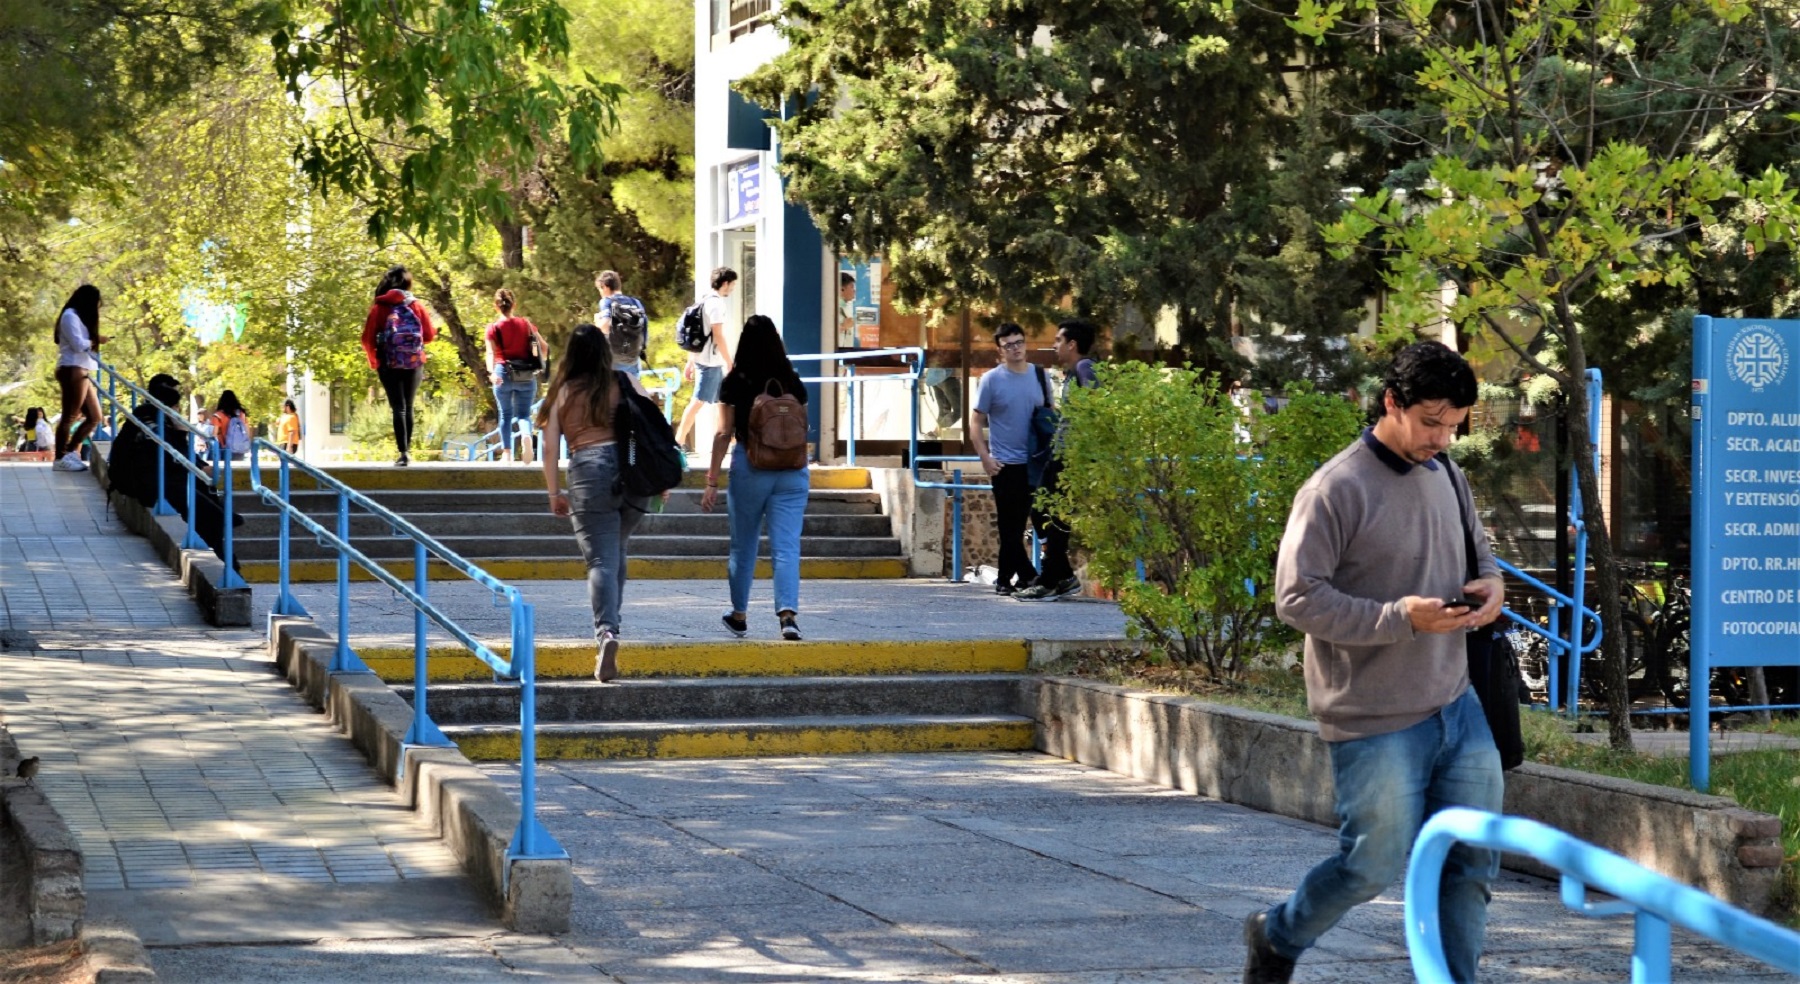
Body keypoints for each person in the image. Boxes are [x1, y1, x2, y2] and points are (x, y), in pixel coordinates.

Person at [1246, 340, 1505, 984]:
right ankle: (1278, 934)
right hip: (1372, 718)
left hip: (1458, 702)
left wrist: (1493, 586)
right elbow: (1296, 598)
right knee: (1369, 867)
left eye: (1454, 425)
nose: (1443, 438)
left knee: (1473, 862)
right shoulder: (1334, 489)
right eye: (1431, 421)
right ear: (1391, 402)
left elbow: (1481, 556)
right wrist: (1399, 619)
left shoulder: (1449, 475)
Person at [538, 324, 655, 682]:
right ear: (605, 353)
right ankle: (612, 628)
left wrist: (554, 492)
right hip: (633, 473)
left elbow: (550, 448)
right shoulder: (624, 381)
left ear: (571, 355)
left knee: (601, 558)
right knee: (617, 548)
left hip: (589, 471)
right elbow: (654, 423)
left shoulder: (562, 392)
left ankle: (607, 632)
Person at [700, 314, 809, 641]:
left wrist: (712, 479)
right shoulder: (792, 380)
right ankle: (787, 616)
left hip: (751, 468)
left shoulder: (735, 381)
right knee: (787, 547)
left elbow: (723, 434)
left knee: (743, 547)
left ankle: (739, 615)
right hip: (793, 471)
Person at [1015, 318, 1100, 601]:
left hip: (1072, 457)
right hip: (1061, 453)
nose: (1055, 346)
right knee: (1041, 511)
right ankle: (1062, 576)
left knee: (1055, 515)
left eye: (1058, 340)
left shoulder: (1084, 367)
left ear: (1072, 344)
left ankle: (1051, 580)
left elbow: (1096, 397)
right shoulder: (1074, 371)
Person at [969, 322, 1050, 595]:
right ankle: (1028, 576)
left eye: (1018, 342)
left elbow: (1048, 418)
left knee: (1017, 528)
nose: (1015, 349)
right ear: (1000, 350)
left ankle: (1005, 580)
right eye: (1008, 345)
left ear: (1025, 343)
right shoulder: (991, 380)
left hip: (1036, 463)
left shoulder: (1041, 376)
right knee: (1010, 526)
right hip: (1004, 464)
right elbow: (976, 421)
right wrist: (985, 457)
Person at [359, 265, 437, 466]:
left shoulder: (379, 307)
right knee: (408, 406)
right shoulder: (416, 306)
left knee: (398, 408)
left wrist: (374, 360)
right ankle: (408, 451)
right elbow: (429, 335)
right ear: (407, 284)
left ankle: (402, 453)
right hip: (414, 361)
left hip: (388, 362)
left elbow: (367, 339)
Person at [675, 267, 738, 454]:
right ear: (725, 283)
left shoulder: (704, 300)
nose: (732, 289)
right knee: (698, 401)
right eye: (732, 285)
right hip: (712, 362)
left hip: (705, 359)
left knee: (723, 401)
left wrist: (690, 361)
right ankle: (678, 441)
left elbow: (696, 334)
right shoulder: (716, 304)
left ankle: (732, 440)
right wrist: (729, 361)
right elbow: (717, 334)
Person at [484, 288, 547, 463]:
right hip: (526, 375)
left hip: (502, 373)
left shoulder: (493, 328)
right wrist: (541, 363)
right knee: (524, 415)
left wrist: (491, 373)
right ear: (514, 305)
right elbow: (544, 348)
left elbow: (490, 353)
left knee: (505, 415)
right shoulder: (526, 324)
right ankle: (526, 435)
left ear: (496, 307)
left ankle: (507, 453)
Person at [52, 284, 107, 472]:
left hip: (82, 370)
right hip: (72, 369)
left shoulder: (77, 317)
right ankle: (60, 457)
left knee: (94, 417)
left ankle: (69, 451)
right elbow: (78, 344)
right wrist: (95, 340)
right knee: (69, 416)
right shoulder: (69, 316)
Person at [595, 270, 648, 381]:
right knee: (631, 394)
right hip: (633, 358)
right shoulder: (636, 302)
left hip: (613, 359)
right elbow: (644, 327)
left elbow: (605, 325)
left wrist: (597, 323)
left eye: (600, 289)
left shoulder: (606, 301)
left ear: (605, 287)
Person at [210, 391, 250, 461]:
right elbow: (247, 431)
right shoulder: (241, 414)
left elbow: (214, 434)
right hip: (239, 447)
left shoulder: (218, 415)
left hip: (224, 447)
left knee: (224, 470)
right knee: (237, 469)